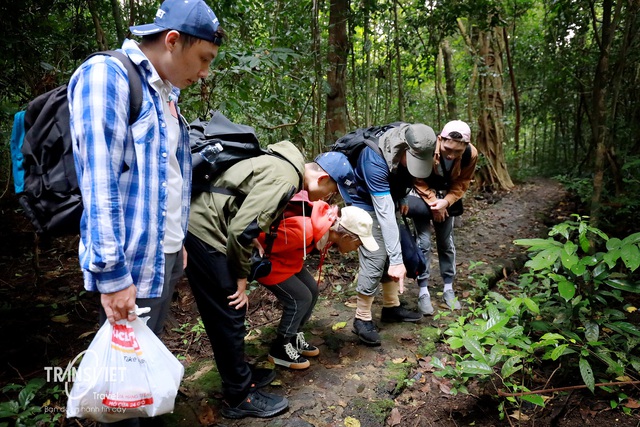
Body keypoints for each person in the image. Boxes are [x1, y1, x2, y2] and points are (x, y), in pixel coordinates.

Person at [68, 1, 223, 425]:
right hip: (129, 264)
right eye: (204, 59)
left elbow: (168, 175)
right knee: (122, 385)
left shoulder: (164, 93)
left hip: (166, 253)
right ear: (173, 41)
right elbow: (98, 183)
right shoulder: (107, 77)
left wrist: (178, 240)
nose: (205, 72)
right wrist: (112, 275)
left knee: (139, 365)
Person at [185, 149, 355, 418]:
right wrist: (241, 277)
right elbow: (241, 230)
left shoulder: (285, 166)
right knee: (229, 310)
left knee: (232, 312)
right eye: (332, 191)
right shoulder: (286, 179)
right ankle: (239, 396)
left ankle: (241, 375)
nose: (328, 199)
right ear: (323, 178)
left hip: (210, 222)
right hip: (204, 230)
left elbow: (245, 211)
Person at [257, 200, 378, 370]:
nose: (356, 249)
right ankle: (280, 348)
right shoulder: (303, 232)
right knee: (300, 298)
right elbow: (259, 241)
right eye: (358, 244)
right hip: (270, 265)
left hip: (289, 261)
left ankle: (293, 337)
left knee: (312, 290)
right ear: (346, 236)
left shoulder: (324, 232)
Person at [346, 123, 436, 346]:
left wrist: (403, 198)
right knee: (377, 253)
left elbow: (404, 177)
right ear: (403, 148)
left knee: (390, 247)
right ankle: (362, 318)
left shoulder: (415, 141)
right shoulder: (373, 159)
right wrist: (397, 261)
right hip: (362, 199)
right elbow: (384, 214)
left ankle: (391, 306)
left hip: (387, 195)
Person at [410, 120, 478, 314]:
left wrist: (446, 202)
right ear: (440, 139)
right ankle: (423, 290)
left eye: (457, 151)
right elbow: (417, 177)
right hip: (422, 195)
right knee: (423, 242)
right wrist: (434, 202)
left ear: (465, 146)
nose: (451, 154)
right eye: (448, 149)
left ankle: (448, 287)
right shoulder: (426, 148)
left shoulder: (470, 154)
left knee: (446, 242)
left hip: (447, 197)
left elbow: (463, 182)